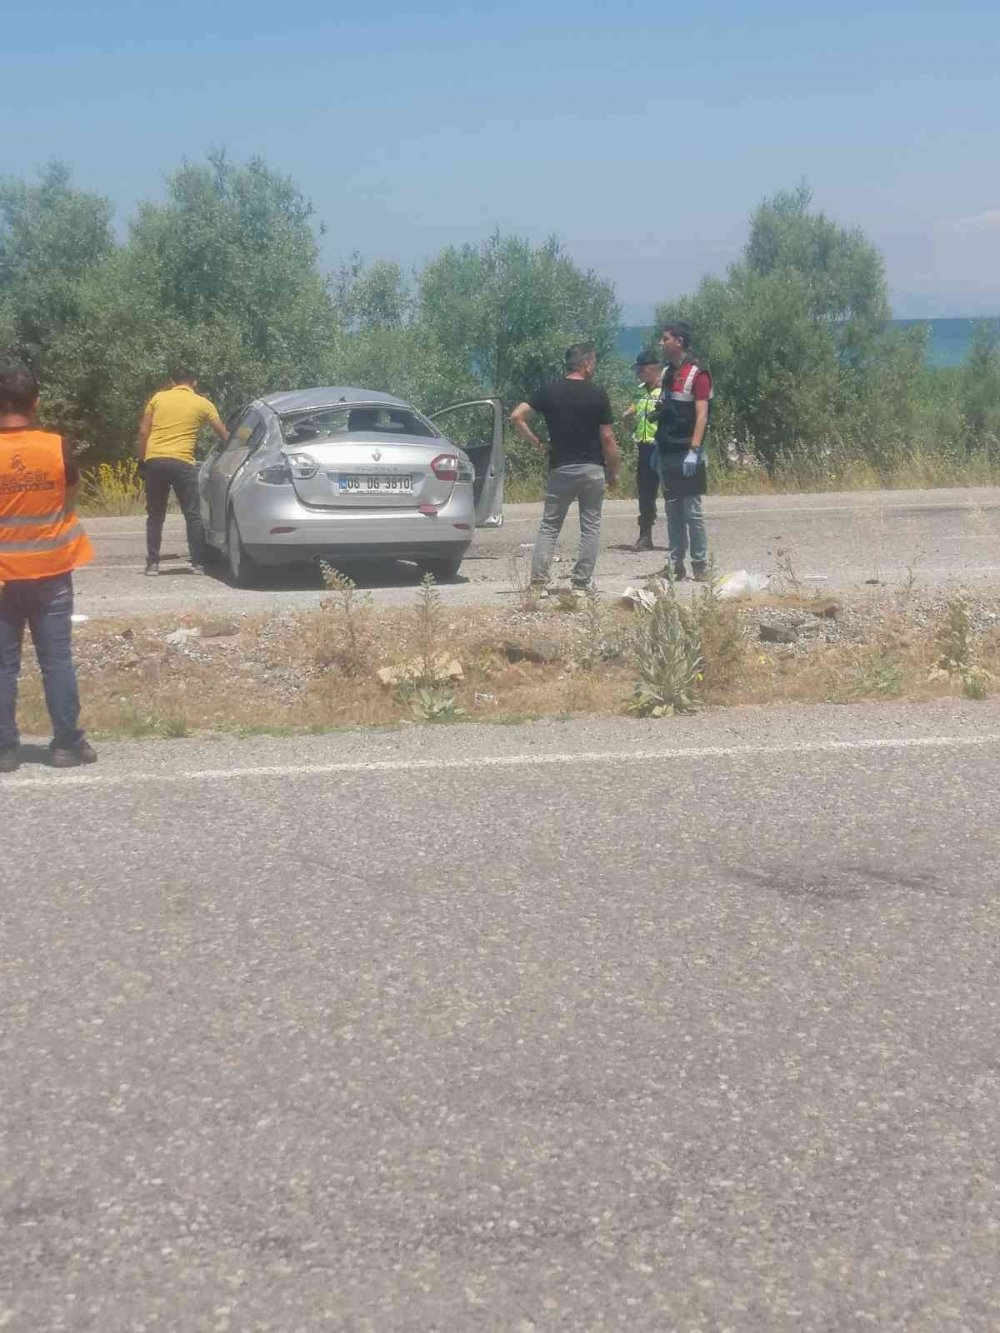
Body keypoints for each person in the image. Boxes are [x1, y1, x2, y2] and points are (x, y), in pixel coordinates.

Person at [0, 363, 96, 771]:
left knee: (3, 664)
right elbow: (70, 492)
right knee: (56, 661)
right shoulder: (57, 446)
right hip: (52, 571)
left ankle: (4, 750)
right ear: (35, 402)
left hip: (3, 578)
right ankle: (66, 745)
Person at [510, 342, 620, 595]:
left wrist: (537, 443)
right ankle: (581, 582)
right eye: (593, 362)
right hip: (592, 468)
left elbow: (517, 416)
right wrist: (613, 472)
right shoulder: (597, 394)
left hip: (560, 468)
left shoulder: (549, 391)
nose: (594, 367)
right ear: (585, 364)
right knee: (590, 526)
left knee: (550, 526)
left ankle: (539, 582)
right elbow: (608, 438)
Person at [137, 369, 229, 577]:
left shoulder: (158, 398)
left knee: (155, 515)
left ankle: (153, 564)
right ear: (194, 382)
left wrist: (142, 461)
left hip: (155, 460)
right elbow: (222, 434)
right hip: (183, 463)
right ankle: (197, 563)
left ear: (172, 382)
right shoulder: (203, 404)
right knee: (192, 514)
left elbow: (143, 432)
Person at [654, 321, 713, 581]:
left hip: (687, 451)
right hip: (666, 450)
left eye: (665, 339)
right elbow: (666, 408)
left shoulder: (698, 374)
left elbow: (702, 415)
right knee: (672, 511)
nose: (661, 343)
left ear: (678, 342)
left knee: (692, 511)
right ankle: (675, 565)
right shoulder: (667, 372)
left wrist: (694, 450)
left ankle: (700, 565)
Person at [621, 349, 663, 550]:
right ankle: (645, 535)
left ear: (652, 369)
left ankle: (681, 537)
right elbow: (635, 407)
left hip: (663, 446)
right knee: (645, 492)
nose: (637, 374)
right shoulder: (640, 390)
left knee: (674, 492)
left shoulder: (665, 390)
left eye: (640, 370)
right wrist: (627, 415)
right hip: (644, 447)